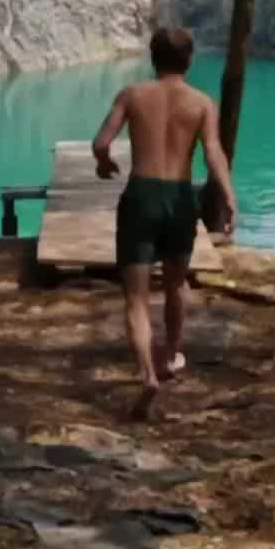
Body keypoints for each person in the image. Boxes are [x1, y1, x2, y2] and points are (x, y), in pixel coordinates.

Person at [92, 25, 237, 419]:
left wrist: (105, 164)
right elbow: (212, 152)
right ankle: (171, 356)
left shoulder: (133, 95)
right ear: (188, 60)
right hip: (179, 197)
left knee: (136, 298)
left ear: (152, 57)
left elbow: (102, 142)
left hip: (141, 196)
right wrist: (227, 194)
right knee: (175, 283)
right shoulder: (202, 103)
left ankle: (145, 372)